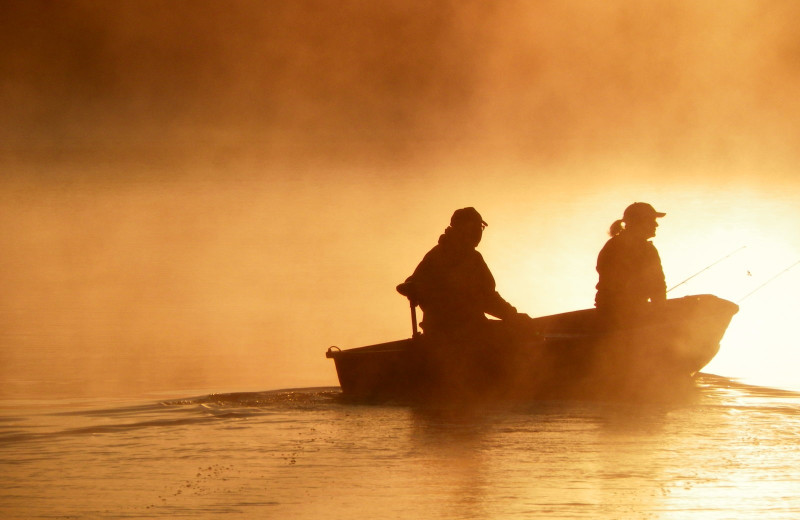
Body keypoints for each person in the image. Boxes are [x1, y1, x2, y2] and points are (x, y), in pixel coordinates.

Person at [402, 207, 529, 339]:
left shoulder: (435, 254)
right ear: (465, 228)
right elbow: (487, 298)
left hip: (436, 333)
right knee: (522, 332)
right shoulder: (470, 258)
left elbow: (411, 283)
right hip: (468, 332)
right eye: (477, 227)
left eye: (481, 227)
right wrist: (513, 316)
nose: (479, 232)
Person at [594, 202, 667, 326]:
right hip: (631, 315)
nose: (656, 224)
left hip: (606, 313)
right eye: (651, 220)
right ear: (639, 222)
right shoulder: (645, 250)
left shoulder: (612, 245)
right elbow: (657, 286)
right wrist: (661, 313)